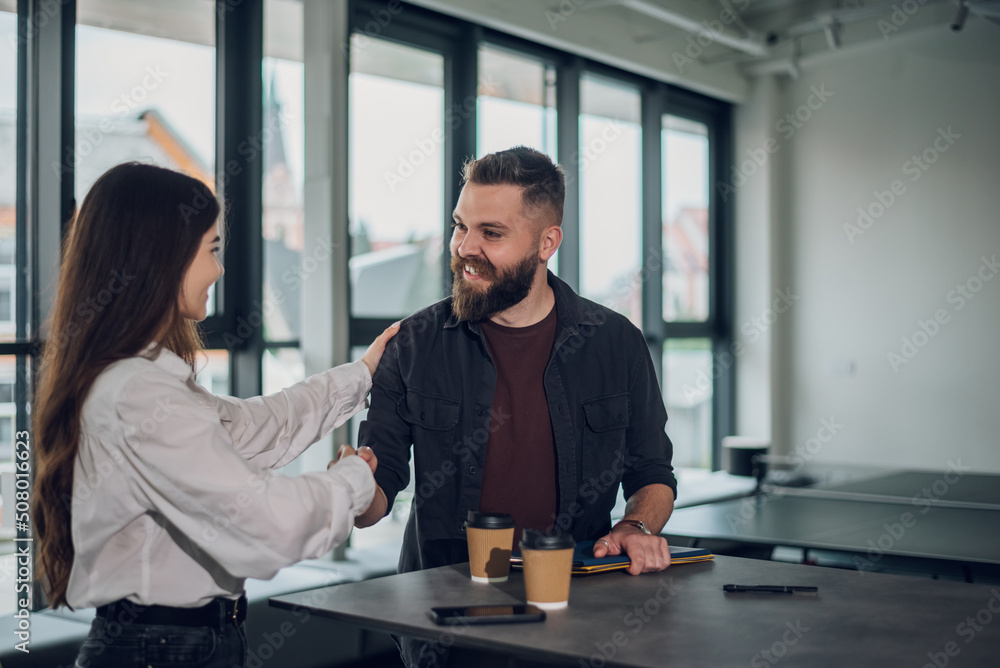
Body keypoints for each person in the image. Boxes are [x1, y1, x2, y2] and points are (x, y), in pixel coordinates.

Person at [31, 162, 397, 668]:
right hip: (160, 652)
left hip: (183, 644)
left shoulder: (143, 380)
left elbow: (257, 427)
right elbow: (265, 520)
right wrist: (353, 479)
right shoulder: (136, 393)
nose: (219, 271)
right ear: (162, 259)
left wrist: (363, 373)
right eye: (212, 251)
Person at [355, 146, 677, 668]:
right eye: (461, 226)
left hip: (581, 617)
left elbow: (652, 473)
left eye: (492, 233)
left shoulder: (616, 344)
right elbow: (376, 496)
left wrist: (635, 528)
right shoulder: (413, 343)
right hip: (448, 627)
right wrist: (349, 487)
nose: (465, 247)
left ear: (547, 242)